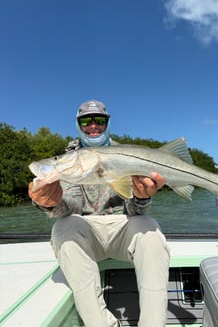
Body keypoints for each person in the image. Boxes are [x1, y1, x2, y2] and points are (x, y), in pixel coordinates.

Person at [28, 100, 170, 327]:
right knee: (64, 226)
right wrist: (50, 203)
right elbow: (70, 207)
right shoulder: (69, 161)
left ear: (108, 123)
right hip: (86, 233)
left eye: (100, 120)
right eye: (86, 120)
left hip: (123, 228)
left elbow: (135, 211)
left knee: (149, 227)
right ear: (78, 125)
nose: (93, 126)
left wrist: (142, 197)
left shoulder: (126, 154)